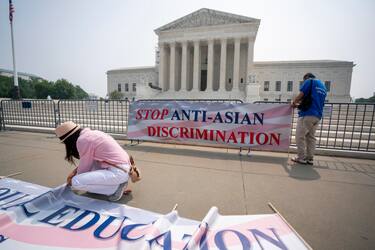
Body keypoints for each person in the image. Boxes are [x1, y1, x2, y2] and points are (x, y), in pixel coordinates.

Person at [55, 121, 140, 201]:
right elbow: (90, 162)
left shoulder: (83, 140)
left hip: (119, 172)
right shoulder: (91, 134)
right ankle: (116, 184)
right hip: (124, 169)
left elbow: (85, 167)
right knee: (89, 179)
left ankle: (114, 189)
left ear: (69, 139)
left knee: (76, 182)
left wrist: (72, 178)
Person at [291, 73, 327, 165]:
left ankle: (301, 158)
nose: (303, 83)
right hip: (317, 116)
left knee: (300, 136)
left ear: (306, 78)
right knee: (311, 137)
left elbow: (301, 94)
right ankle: (310, 158)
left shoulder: (309, 81)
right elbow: (315, 101)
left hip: (307, 114)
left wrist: (294, 102)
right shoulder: (323, 86)